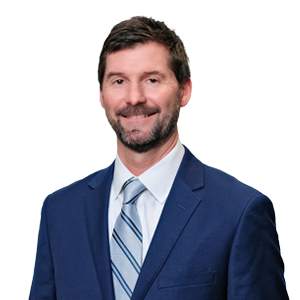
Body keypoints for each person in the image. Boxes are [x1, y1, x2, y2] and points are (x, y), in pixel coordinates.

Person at [29, 15, 289, 300]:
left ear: (184, 90)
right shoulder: (59, 212)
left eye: (151, 80)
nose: (134, 97)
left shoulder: (239, 213)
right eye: (118, 81)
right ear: (102, 95)